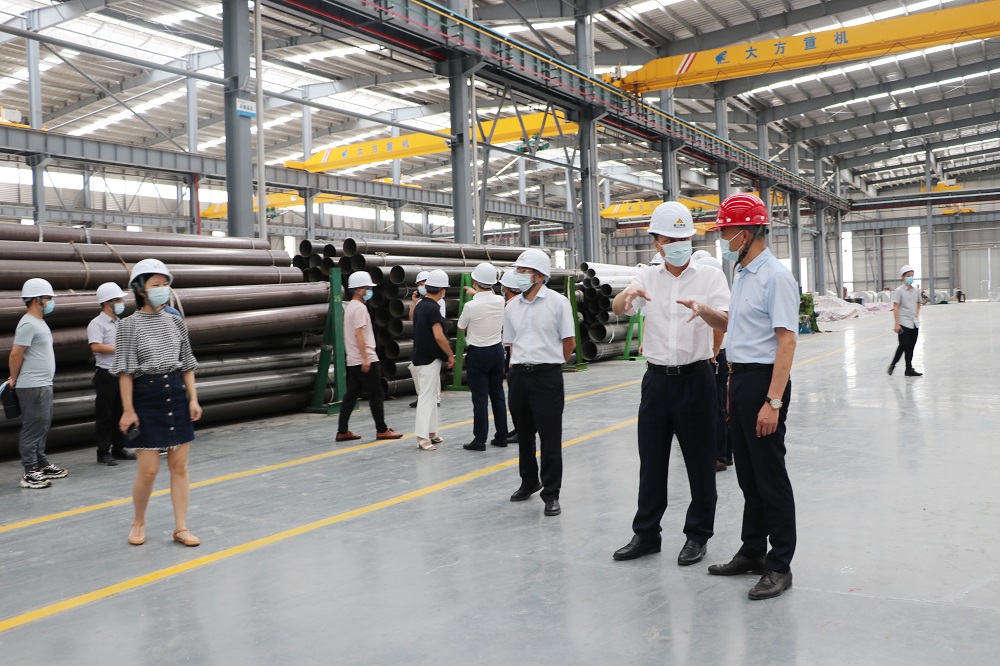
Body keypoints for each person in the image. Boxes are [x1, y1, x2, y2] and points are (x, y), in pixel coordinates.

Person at [678, 193, 799, 601]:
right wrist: (704, 310)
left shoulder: (775, 277)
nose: (722, 239)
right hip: (741, 379)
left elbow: (786, 342)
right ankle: (752, 552)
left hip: (765, 383)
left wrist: (773, 401)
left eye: (726, 232)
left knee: (770, 477)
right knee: (748, 476)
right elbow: (735, 325)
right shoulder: (744, 273)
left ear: (744, 234)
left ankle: (779, 565)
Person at [611, 202, 730, 566]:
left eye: (683, 238)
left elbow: (726, 321)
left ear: (691, 239)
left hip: (696, 378)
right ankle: (647, 534)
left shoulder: (710, 277)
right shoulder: (646, 277)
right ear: (657, 242)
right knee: (652, 461)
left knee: (700, 462)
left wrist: (703, 310)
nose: (677, 244)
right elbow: (619, 308)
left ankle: (698, 535)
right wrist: (626, 296)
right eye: (669, 239)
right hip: (657, 381)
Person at [113, 259, 202, 548]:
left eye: (165, 284)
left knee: (180, 466)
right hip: (146, 396)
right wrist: (128, 410)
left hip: (175, 392)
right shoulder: (128, 326)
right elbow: (125, 372)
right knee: (148, 470)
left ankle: (181, 528)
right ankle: (138, 521)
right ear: (140, 289)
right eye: (156, 285)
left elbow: (187, 363)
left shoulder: (175, 321)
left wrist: (193, 398)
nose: (162, 289)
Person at [504, 249, 575, 517]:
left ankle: (551, 493)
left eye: (524, 271)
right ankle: (529, 481)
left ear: (539, 275)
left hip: (547, 376)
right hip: (519, 376)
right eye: (518, 271)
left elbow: (569, 342)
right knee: (523, 434)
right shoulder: (511, 306)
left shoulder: (558, 303)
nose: (519, 275)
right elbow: (511, 343)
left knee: (550, 436)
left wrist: (553, 364)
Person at [7, 278, 67, 489]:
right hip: (31, 385)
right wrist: (13, 378)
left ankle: (40, 463)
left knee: (42, 424)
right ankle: (30, 471)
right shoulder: (27, 323)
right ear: (36, 300)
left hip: (43, 383)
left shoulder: (39, 322)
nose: (51, 302)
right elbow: (15, 354)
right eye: (48, 298)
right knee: (33, 426)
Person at [336, 272, 403, 442]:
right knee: (376, 394)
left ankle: (342, 431)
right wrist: (366, 358)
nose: (369, 291)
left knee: (351, 396)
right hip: (364, 359)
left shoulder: (350, 307)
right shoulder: (359, 308)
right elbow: (359, 334)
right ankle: (382, 430)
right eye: (367, 288)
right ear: (359, 290)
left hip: (353, 359)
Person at [457, 262, 508, 451]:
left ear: (475, 282)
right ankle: (502, 436)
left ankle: (479, 440)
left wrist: (474, 296)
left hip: (478, 353)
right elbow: (488, 297)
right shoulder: (500, 301)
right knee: (498, 395)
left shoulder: (470, 306)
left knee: (480, 398)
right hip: (497, 351)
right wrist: (477, 293)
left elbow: (461, 326)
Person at [88, 282, 137, 466]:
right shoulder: (97, 324)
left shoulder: (119, 322)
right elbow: (95, 346)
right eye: (117, 300)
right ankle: (103, 452)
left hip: (121, 373)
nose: (120, 303)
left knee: (120, 412)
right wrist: (119, 348)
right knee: (105, 415)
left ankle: (119, 447)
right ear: (106, 303)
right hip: (106, 375)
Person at [693, 250, 732, 472]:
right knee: (720, 405)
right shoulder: (719, 293)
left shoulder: (713, 296)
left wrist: (713, 352)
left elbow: (718, 329)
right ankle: (726, 453)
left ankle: (719, 455)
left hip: (714, 356)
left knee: (715, 406)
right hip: (717, 355)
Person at [409, 269, 455, 451]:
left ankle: (431, 431)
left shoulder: (420, 305)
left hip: (421, 356)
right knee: (427, 397)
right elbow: (439, 336)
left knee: (431, 396)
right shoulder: (433, 308)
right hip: (428, 359)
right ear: (442, 290)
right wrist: (450, 355)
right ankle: (422, 437)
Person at [408, 270, 446, 409]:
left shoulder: (439, 302)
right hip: (421, 341)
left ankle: (435, 398)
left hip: (431, 341)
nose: (421, 286)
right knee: (417, 370)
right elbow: (411, 317)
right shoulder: (421, 302)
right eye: (419, 284)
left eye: (423, 283)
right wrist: (414, 302)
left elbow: (438, 324)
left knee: (432, 372)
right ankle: (422, 396)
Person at [498, 269, 521, 443]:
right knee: (515, 397)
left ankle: (522, 430)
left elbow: (510, 338)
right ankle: (519, 427)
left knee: (516, 398)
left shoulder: (512, 307)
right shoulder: (517, 304)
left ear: (506, 288)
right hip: (514, 355)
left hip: (514, 357)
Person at [889, 264, 922, 377]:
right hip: (903, 322)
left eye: (912, 275)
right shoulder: (898, 291)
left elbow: (919, 302)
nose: (911, 278)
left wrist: (917, 312)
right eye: (908, 276)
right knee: (903, 345)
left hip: (914, 323)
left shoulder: (916, 291)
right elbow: (896, 307)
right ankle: (893, 364)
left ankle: (908, 369)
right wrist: (896, 323)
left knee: (911, 347)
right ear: (903, 277)